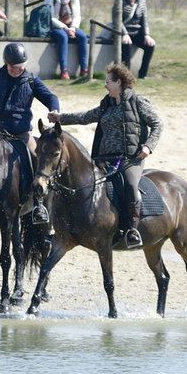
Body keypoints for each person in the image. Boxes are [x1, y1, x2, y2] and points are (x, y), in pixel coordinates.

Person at [48, 63, 163, 248]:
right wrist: (60, 118)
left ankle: (132, 229)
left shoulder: (138, 102)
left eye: (108, 82)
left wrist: (148, 147)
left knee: (131, 185)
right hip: (104, 158)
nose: (105, 85)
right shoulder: (106, 104)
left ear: (119, 82)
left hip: (130, 159)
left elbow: (158, 124)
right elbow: (85, 117)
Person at [0, 43, 60, 223]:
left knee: (36, 160)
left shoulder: (31, 80)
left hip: (22, 134)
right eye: (12, 67)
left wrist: (54, 109)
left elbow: (50, 97)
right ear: (5, 63)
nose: (17, 70)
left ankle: (39, 205)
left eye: (20, 66)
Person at [45, 0, 89, 79]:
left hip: (71, 26)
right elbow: (51, 17)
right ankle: (64, 70)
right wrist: (65, 28)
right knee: (63, 37)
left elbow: (77, 15)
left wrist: (73, 28)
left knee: (82, 37)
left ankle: (84, 69)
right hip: (56, 27)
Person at [116, 0, 156, 80]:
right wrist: (124, 34)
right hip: (122, 32)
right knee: (126, 48)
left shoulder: (142, 2)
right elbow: (117, 20)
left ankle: (143, 74)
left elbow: (144, 20)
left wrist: (147, 35)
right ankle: (125, 75)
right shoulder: (120, 0)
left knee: (150, 46)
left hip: (137, 32)